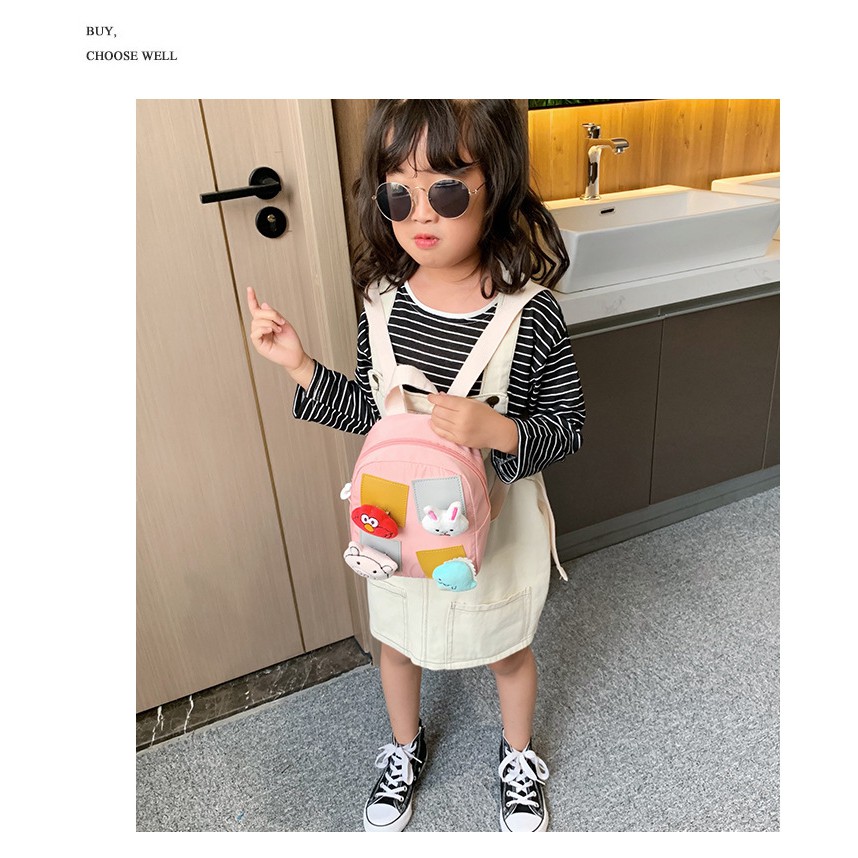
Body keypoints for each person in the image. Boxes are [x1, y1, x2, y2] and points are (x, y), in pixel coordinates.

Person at [246, 100, 585, 833]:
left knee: (507, 646)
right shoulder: (380, 304)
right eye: (399, 192)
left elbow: (568, 426)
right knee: (397, 644)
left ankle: (517, 755)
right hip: (397, 525)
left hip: (495, 526)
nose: (421, 212)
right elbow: (376, 418)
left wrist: (499, 430)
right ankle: (404, 746)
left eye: (448, 189)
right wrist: (300, 366)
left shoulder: (531, 314)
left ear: (495, 186)